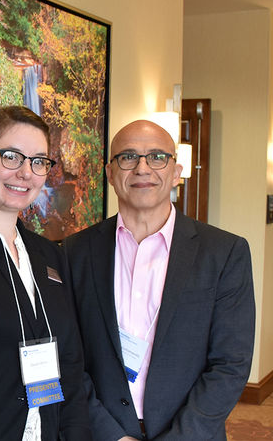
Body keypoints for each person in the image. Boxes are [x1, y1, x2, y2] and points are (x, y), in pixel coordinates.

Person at [64, 120, 254, 440]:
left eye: (157, 157)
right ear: (110, 173)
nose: (142, 168)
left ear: (176, 172)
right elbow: (69, 357)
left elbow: (230, 364)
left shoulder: (224, 253)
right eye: (127, 157)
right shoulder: (74, 252)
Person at [0, 106, 91, 440]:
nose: (26, 173)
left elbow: (71, 363)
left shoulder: (48, 254)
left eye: (38, 161)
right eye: (11, 156)